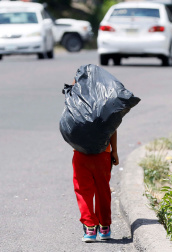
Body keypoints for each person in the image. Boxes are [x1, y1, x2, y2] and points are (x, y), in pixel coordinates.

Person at [71, 79, 120, 243]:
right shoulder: (105, 104)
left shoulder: (75, 104)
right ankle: (105, 227)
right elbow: (112, 128)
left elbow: (68, 128)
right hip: (102, 155)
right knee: (103, 190)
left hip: (81, 155)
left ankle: (90, 228)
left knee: (83, 192)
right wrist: (114, 151)